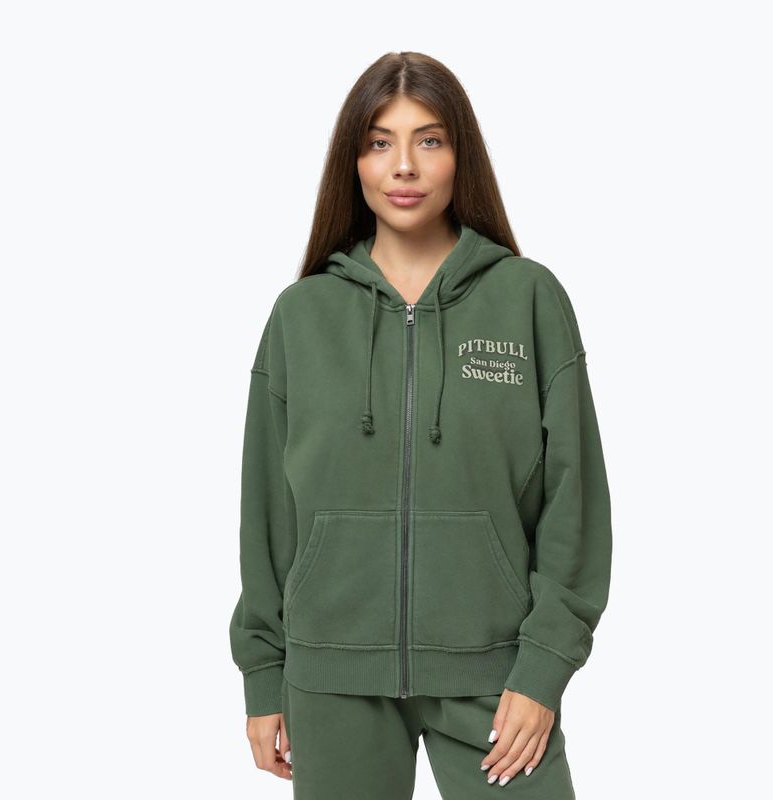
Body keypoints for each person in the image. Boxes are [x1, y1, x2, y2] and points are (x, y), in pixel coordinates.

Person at [229, 51, 612, 799]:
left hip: (496, 676)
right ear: (354, 162)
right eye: (380, 142)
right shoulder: (301, 315)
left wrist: (543, 668)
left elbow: (577, 499)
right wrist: (264, 673)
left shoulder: (528, 299)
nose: (403, 164)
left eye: (428, 139)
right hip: (332, 676)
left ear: (460, 155)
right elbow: (266, 509)